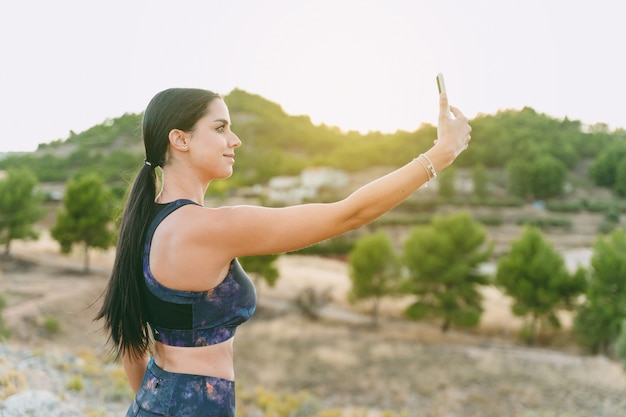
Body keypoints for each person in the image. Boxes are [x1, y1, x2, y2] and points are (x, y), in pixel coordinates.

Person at [96, 86, 472, 417]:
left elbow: (131, 343)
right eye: (220, 127)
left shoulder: (144, 224)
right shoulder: (210, 228)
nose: (235, 140)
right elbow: (350, 214)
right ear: (180, 139)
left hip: (154, 401)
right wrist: (440, 154)